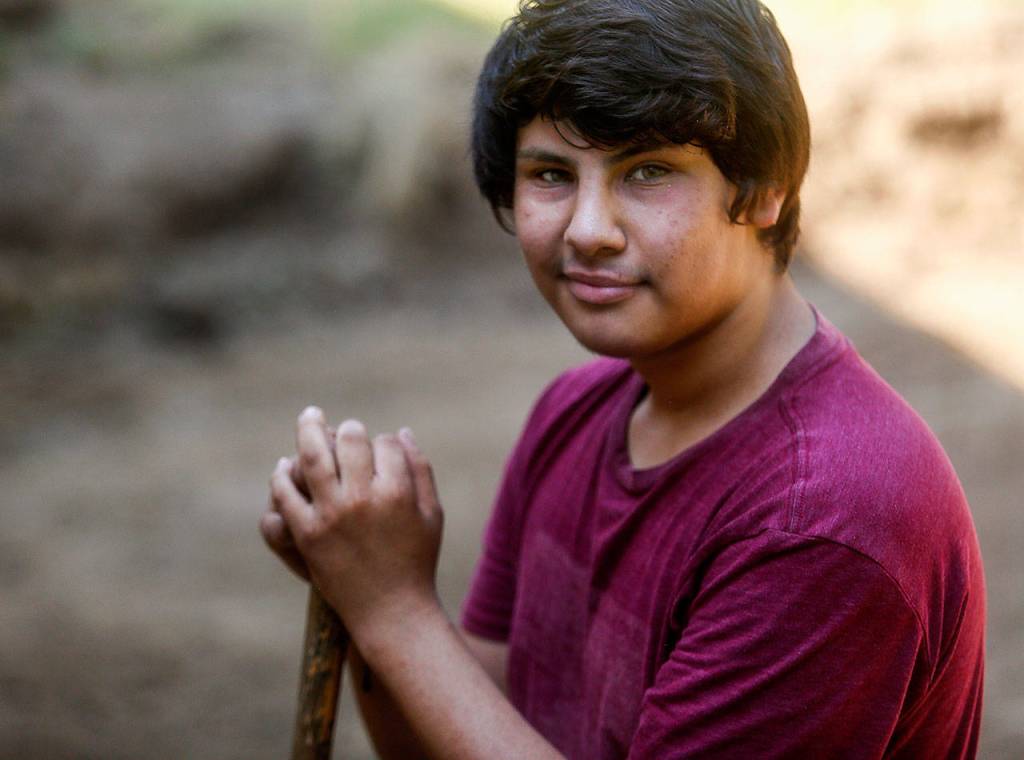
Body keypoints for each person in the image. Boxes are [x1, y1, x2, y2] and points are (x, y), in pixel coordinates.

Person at [260, 1, 986, 757]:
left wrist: (395, 610)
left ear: (765, 188)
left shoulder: (823, 518)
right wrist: (359, 589)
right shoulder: (573, 412)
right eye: (551, 175)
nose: (587, 231)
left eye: (648, 172)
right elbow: (456, 738)